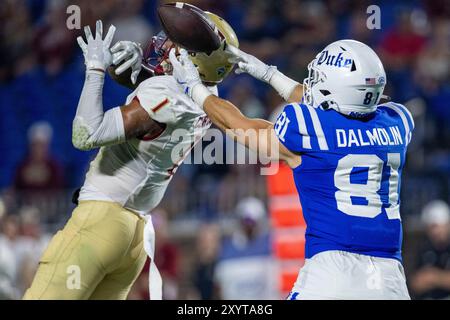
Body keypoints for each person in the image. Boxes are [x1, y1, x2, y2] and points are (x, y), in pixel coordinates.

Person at [170, 38, 414, 299]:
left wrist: (195, 88)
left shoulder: (308, 128)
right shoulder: (397, 123)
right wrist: (269, 74)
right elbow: (335, 105)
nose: (312, 84)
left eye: (320, 78)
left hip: (332, 275)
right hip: (390, 280)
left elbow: (236, 126)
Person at [24, 8, 239, 300]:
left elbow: (85, 134)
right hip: (133, 235)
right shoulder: (205, 99)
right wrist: (127, 68)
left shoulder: (164, 92)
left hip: (100, 219)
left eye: (174, 43)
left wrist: (96, 70)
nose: (163, 43)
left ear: (194, 59)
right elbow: (158, 106)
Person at [214, 197, 276, 300]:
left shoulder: (271, 246)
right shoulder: (227, 249)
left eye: (253, 222)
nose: (249, 226)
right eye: (246, 221)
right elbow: (219, 285)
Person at [410, 200, 450, 299]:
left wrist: (434, 277)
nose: (436, 232)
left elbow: (428, 277)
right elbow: (414, 282)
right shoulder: (425, 250)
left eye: (438, 226)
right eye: (432, 227)